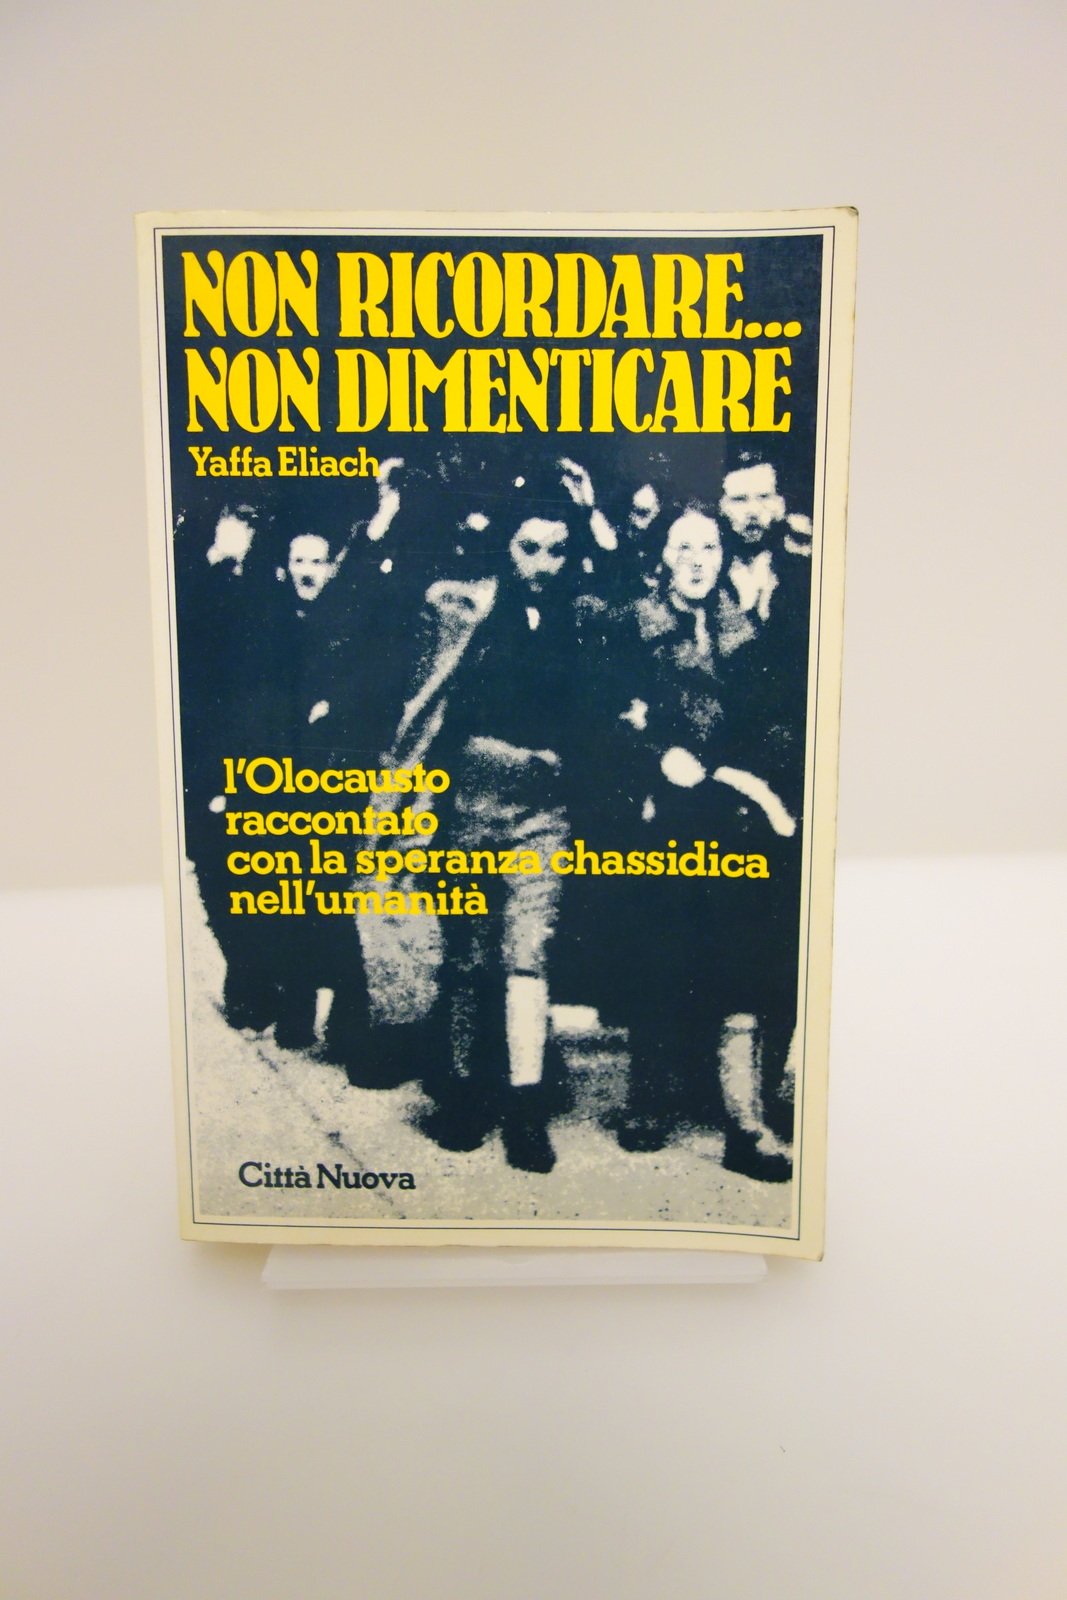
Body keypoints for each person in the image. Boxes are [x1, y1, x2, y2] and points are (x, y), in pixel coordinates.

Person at [598, 507, 795, 1180]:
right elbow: (608, 718)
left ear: (722, 556)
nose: (696, 559)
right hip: (662, 819)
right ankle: (649, 1101)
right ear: (662, 556)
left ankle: (744, 1123)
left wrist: (757, 786)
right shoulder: (632, 626)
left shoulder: (745, 633)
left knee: (742, 964)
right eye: (682, 547)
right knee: (661, 957)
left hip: (734, 816)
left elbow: (772, 725)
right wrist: (655, 755)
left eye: (707, 547)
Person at [404, 475, 592, 1173]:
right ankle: (463, 1093)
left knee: (526, 955)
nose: (542, 562)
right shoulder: (468, 613)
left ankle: (524, 1107)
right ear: (507, 547)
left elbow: (595, 711)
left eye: (557, 550)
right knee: (466, 954)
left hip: (543, 813)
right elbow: (436, 716)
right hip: (469, 806)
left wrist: (563, 760)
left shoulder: (581, 619)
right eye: (529, 547)